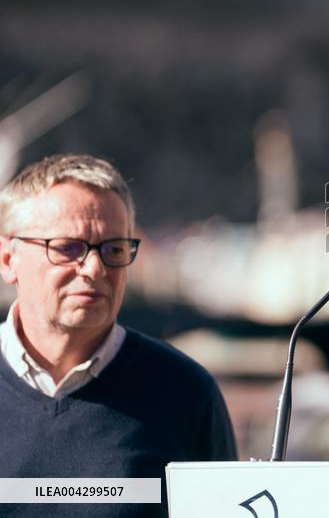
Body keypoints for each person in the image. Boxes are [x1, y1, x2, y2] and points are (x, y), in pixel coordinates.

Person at [0, 154, 236, 517]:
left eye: (114, 250)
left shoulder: (185, 392)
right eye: (67, 248)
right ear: (7, 259)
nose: (94, 269)